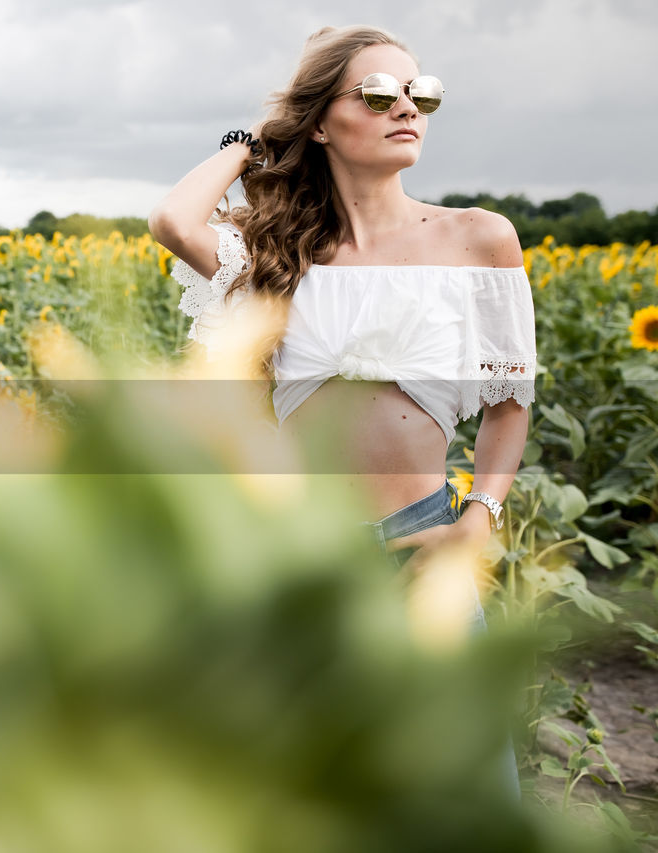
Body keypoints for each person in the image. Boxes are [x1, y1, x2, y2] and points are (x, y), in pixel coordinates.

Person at [147, 25, 536, 800]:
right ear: (321, 121)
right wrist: (254, 138)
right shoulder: (276, 251)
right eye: (380, 94)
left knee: (467, 796)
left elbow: (510, 402)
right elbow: (175, 222)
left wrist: (479, 517)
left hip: (423, 547)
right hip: (304, 559)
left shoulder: (477, 238)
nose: (408, 109)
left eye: (421, 94)